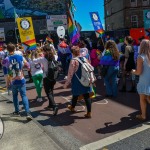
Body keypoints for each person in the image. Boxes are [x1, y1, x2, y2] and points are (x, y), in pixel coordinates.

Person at [63, 46, 92, 118]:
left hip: (77, 80)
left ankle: (72, 107)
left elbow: (70, 73)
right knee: (86, 96)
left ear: (72, 52)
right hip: (85, 79)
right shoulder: (84, 58)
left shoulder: (73, 61)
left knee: (75, 94)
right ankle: (89, 112)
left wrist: (66, 84)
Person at [6, 43, 32, 120]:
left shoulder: (7, 59)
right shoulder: (20, 56)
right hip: (21, 79)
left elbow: (8, 72)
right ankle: (27, 113)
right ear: (15, 49)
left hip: (13, 80)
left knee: (14, 96)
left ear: (7, 50)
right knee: (23, 95)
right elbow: (27, 65)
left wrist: (8, 83)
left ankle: (17, 111)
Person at [33, 45, 58, 115]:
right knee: (51, 90)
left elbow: (34, 60)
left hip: (46, 77)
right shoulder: (54, 57)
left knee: (48, 92)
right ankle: (50, 105)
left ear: (44, 51)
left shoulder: (42, 59)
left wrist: (35, 53)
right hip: (54, 76)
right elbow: (56, 54)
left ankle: (54, 106)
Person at [132, 39, 150, 120]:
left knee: (143, 99)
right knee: (148, 98)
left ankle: (143, 115)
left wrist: (133, 71)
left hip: (144, 80)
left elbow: (139, 72)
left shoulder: (141, 57)